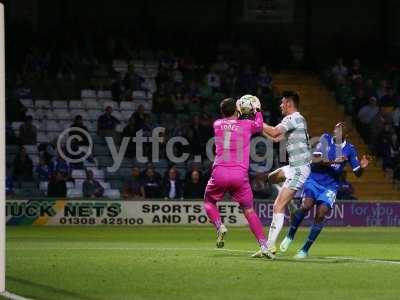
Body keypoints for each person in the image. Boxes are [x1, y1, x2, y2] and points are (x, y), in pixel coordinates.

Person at [279, 122, 369, 258]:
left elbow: (357, 173)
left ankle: (304, 249)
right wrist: (334, 161)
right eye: (335, 128)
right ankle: (290, 235)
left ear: (346, 134)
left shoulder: (350, 149)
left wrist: (362, 167)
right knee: (306, 205)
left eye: (339, 129)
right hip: (314, 180)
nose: (335, 131)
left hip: (331, 186)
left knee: (321, 214)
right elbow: (316, 159)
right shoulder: (325, 138)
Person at [203, 97, 268, 254]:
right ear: (237, 110)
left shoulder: (217, 124)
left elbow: (230, 125)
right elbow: (259, 127)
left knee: (209, 201)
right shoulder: (246, 125)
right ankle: (264, 246)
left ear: (222, 112)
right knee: (249, 210)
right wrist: (257, 110)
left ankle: (220, 226)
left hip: (219, 172)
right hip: (240, 175)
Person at [255, 91, 311, 258]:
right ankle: (290, 200)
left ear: (288, 103)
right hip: (294, 167)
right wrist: (256, 127)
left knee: (278, 206)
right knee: (270, 178)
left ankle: (269, 247)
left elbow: (273, 132)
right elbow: (276, 139)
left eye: (282, 103)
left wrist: (256, 120)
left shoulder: (292, 118)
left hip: (299, 168)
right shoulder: (297, 120)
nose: (280, 106)